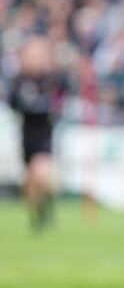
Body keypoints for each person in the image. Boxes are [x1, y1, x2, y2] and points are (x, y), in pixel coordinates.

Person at [8, 35, 66, 232]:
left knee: (42, 175)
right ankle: (40, 214)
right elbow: (13, 104)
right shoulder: (19, 81)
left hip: (44, 136)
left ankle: (46, 208)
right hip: (26, 138)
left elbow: (60, 101)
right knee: (30, 185)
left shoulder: (52, 79)